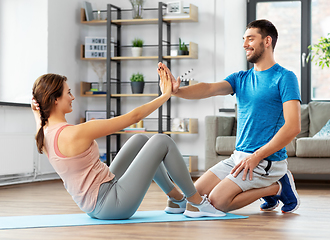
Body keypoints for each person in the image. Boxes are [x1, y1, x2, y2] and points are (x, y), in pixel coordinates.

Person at [31, 69, 225, 220]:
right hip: (111, 204)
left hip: (96, 202)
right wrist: (165, 95)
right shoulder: (76, 132)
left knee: (140, 140)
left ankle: (176, 200)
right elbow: (134, 117)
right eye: (68, 93)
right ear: (55, 99)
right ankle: (197, 202)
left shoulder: (43, 132)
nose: (72, 97)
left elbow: (40, 120)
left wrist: (37, 112)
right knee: (162, 141)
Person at [158, 19, 301, 213]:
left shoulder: (285, 77)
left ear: (267, 41)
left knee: (217, 202)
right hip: (238, 157)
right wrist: (177, 91)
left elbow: (293, 127)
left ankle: (278, 187)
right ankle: (265, 188)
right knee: (193, 195)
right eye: (244, 39)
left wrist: (257, 156)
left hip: (266, 160)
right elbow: (208, 88)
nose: (244, 45)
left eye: (250, 39)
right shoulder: (240, 78)